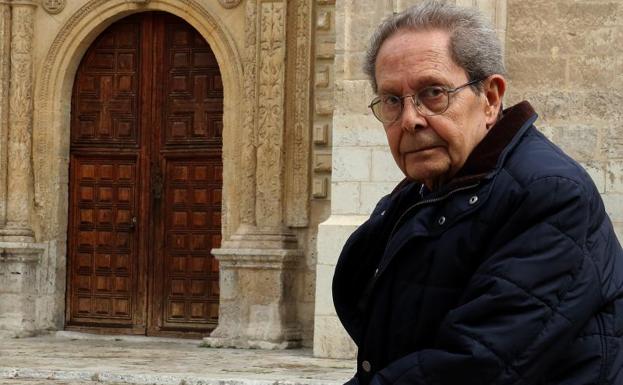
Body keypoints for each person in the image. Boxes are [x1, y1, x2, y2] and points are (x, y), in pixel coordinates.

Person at [332, 2, 623, 385]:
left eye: (433, 92)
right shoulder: (421, 194)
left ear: (490, 98)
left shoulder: (549, 193)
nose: (410, 119)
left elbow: (477, 363)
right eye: (391, 100)